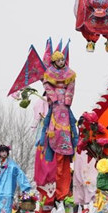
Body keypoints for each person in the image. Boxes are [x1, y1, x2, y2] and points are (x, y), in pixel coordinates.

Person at [35, 50, 78, 202]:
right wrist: (53, 98)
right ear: (54, 62)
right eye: (58, 60)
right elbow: (47, 86)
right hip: (55, 105)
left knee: (69, 123)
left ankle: (71, 143)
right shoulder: (49, 74)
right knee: (49, 123)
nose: (61, 63)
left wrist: (67, 99)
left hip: (64, 107)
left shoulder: (69, 73)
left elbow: (71, 87)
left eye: (62, 60)